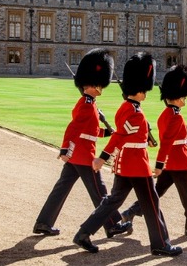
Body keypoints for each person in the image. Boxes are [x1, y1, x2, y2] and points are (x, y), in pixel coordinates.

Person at [73, 52, 182, 257]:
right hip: (136, 165)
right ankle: (161, 244)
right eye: (144, 90)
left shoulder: (128, 108)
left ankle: (83, 233)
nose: (146, 94)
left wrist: (145, 138)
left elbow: (128, 135)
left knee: (113, 201)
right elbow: (120, 136)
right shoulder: (134, 111)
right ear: (140, 90)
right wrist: (102, 158)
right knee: (152, 203)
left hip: (126, 164)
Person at [33, 48, 131, 238]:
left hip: (77, 156)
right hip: (84, 156)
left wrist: (107, 132)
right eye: (100, 85)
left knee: (60, 189)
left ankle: (43, 222)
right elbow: (73, 128)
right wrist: (64, 149)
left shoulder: (90, 103)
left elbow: (89, 131)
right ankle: (112, 224)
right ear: (94, 84)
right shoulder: (87, 105)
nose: (102, 88)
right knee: (100, 191)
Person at [120, 65, 187, 238]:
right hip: (181, 162)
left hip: (170, 163)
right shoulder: (176, 115)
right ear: (176, 97)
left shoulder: (166, 114)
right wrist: (159, 163)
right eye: (183, 96)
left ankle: (131, 211)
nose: (185, 100)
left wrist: (185, 140)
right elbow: (168, 142)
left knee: (156, 193)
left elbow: (171, 136)